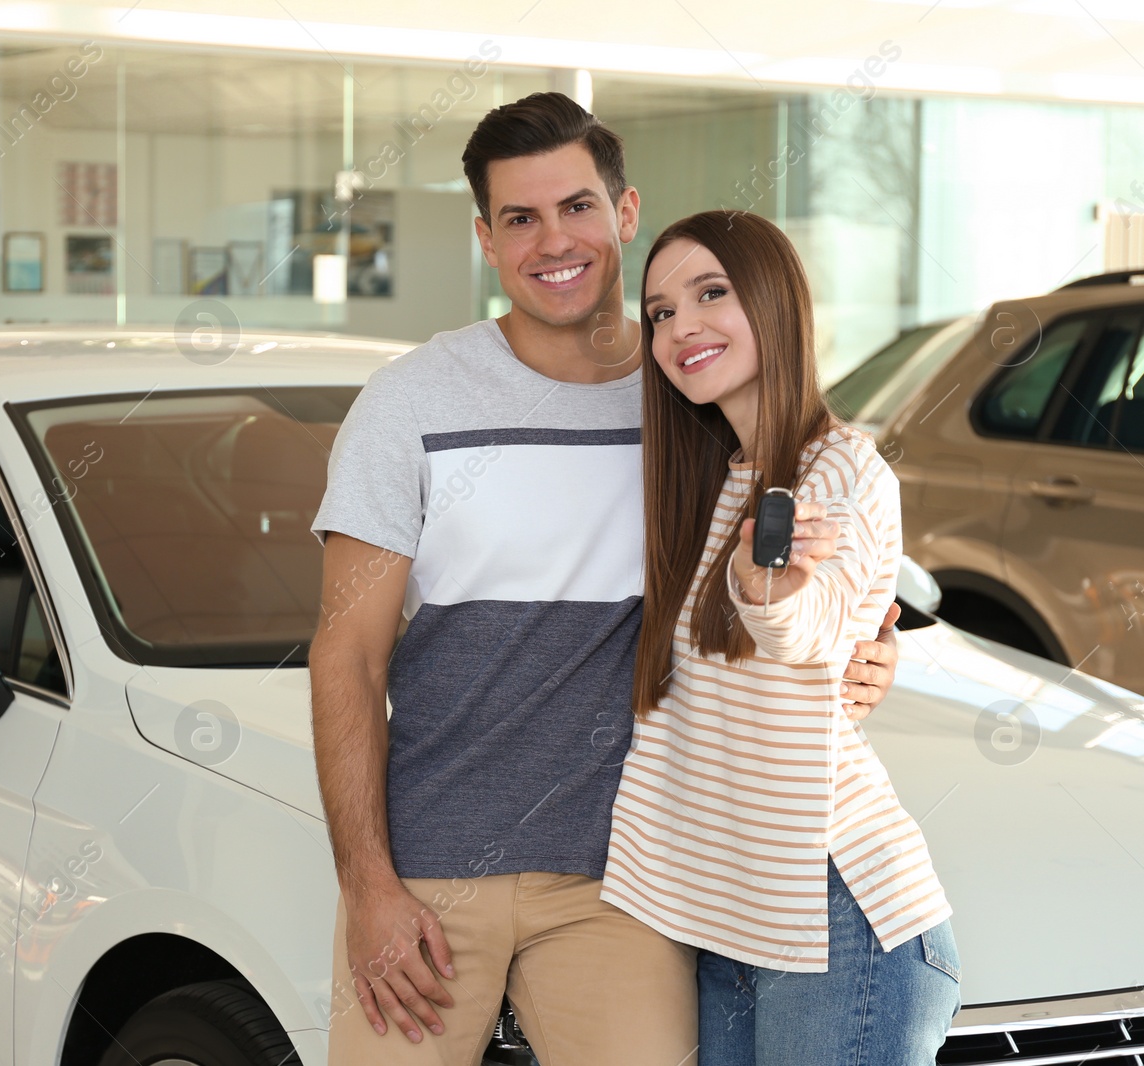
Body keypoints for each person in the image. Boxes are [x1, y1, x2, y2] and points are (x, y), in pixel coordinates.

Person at [308, 93, 904, 1066]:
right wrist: (368, 885)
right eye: (520, 217)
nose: (555, 239)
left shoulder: (692, 399)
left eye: (577, 206)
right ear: (485, 238)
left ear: (624, 214)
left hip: (628, 883)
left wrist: (872, 651)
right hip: (428, 879)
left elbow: (811, 575)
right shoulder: (409, 400)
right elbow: (348, 651)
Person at [600, 209, 962, 1066]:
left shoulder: (841, 470)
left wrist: (770, 592)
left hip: (842, 918)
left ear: (775, 302)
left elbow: (814, 622)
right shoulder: (706, 482)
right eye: (658, 312)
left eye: (710, 292)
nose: (680, 325)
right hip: (737, 917)